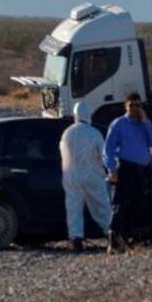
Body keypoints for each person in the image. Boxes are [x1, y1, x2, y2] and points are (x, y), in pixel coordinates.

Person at [103, 93, 152, 252]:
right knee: (120, 204)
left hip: (142, 170)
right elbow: (108, 148)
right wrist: (112, 170)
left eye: (138, 105)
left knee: (138, 203)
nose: (135, 108)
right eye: (132, 105)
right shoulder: (119, 124)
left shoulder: (143, 125)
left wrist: (146, 122)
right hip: (125, 168)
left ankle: (126, 236)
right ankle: (113, 238)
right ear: (126, 106)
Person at [59, 101, 112, 252]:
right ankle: (112, 235)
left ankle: (76, 240)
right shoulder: (93, 133)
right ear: (89, 114)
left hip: (70, 176)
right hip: (92, 175)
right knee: (102, 206)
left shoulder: (67, 132)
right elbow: (104, 157)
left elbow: (63, 153)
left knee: (73, 208)